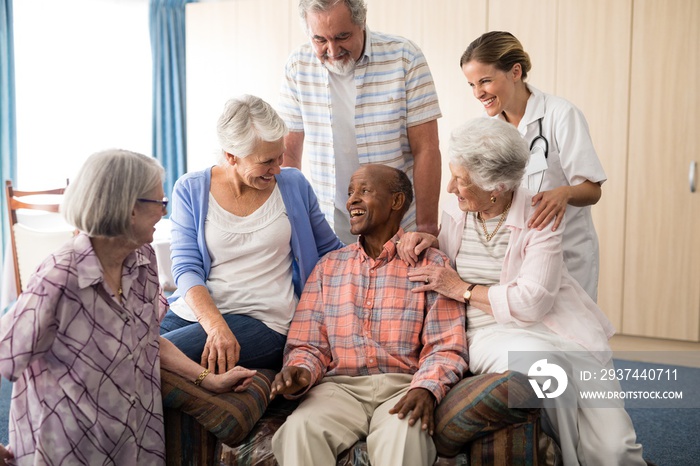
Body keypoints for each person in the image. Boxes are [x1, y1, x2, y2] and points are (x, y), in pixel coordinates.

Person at [398, 118, 646, 466]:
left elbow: (532, 302)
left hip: (556, 325)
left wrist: (462, 289)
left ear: (496, 186)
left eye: (461, 180)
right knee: (547, 368)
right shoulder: (458, 206)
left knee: (616, 449)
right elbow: (457, 249)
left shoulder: (540, 212)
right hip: (488, 328)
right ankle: (570, 457)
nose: (451, 187)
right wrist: (431, 239)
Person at [0, 149, 256, 466]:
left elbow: (148, 339)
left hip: (136, 438)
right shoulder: (59, 278)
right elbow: (5, 354)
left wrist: (209, 379)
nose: (164, 214)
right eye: (159, 204)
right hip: (68, 445)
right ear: (129, 209)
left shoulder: (143, 260)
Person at [269, 164, 468, 466]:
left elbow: (445, 346)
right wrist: (302, 371)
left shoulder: (432, 264)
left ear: (396, 202)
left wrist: (426, 388)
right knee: (299, 430)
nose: (352, 200)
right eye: (350, 193)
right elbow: (308, 345)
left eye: (364, 191)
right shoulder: (328, 268)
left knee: (405, 437)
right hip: (338, 391)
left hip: (403, 386)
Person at [160, 95, 343, 374]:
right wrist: (216, 326)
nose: (278, 168)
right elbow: (186, 268)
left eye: (280, 156)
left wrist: (394, 248)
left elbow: (331, 250)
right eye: (267, 161)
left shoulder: (293, 184)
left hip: (265, 319)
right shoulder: (190, 188)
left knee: (148, 360)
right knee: (130, 350)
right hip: (198, 313)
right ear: (231, 155)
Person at [279, 0, 442, 244]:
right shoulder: (297, 65)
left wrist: (426, 228)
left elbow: (426, 149)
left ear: (362, 22)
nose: (332, 51)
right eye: (320, 40)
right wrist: (294, 223)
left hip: (396, 222)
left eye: (342, 36)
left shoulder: (405, 57)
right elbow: (289, 155)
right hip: (328, 222)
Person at [460, 31, 605, 301]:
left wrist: (565, 192)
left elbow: (593, 189)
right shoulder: (486, 128)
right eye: (471, 84)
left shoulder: (560, 114)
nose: (478, 93)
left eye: (485, 81)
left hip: (566, 250)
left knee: (571, 337)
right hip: (517, 252)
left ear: (515, 72)